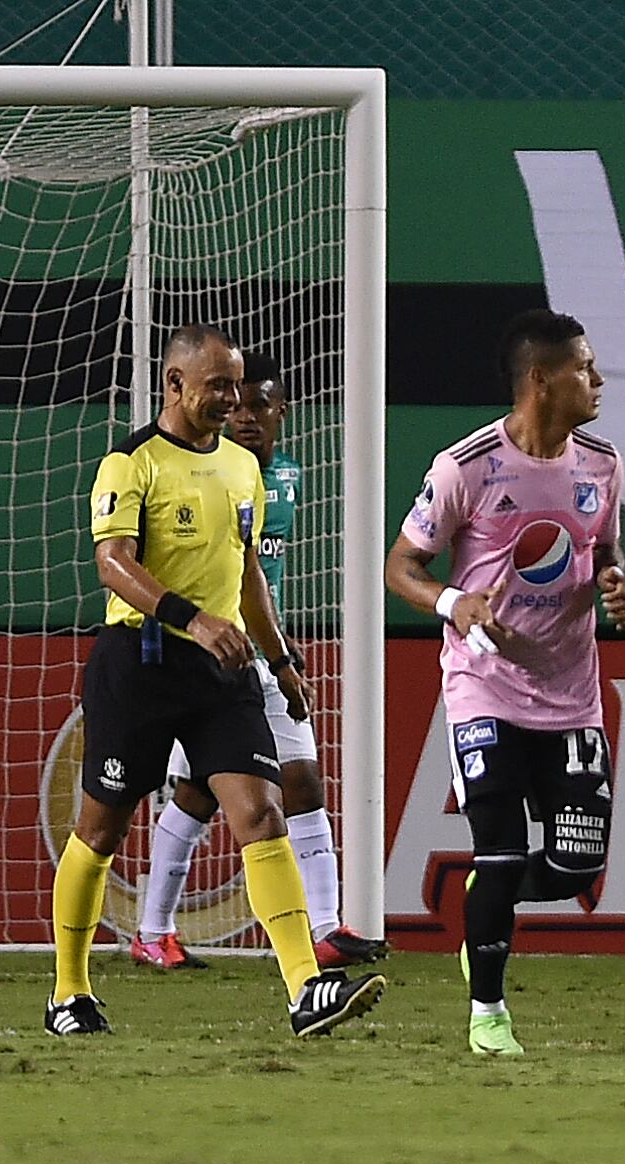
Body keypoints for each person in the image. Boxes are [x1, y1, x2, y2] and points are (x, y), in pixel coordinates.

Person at [50, 324, 385, 1037]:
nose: (232, 400)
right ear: (174, 385)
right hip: (138, 665)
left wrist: (284, 659)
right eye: (217, 386)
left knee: (262, 812)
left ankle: (305, 988)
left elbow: (250, 573)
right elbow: (112, 563)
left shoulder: (241, 467)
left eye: (236, 386)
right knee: (100, 830)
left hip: (223, 672)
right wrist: (195, 619)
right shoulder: (130, 461)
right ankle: (69, 992)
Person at [385, 308, 625, 1057]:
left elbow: (609, 552)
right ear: (540, 380)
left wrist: (618, 584)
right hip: (484, 688)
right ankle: (488, 1015)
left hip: (571, 696)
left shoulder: (602, 465)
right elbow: (400, 567)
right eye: (584, 368)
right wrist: (456, 604)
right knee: (498, 846)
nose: (597, 381)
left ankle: (483, 907)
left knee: (574, 868)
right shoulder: (465, 467)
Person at [132, 352, 389, 971]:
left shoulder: (285, 477)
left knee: (302, 780)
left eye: (260, 406)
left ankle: (326, 928)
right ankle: (151, 929)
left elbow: (256, 578)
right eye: (237, 405)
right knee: (196, 794)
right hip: (198, 654)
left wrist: (282, 658)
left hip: (259, 655)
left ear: (281, 412)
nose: (246, 417)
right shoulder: (198, 471)